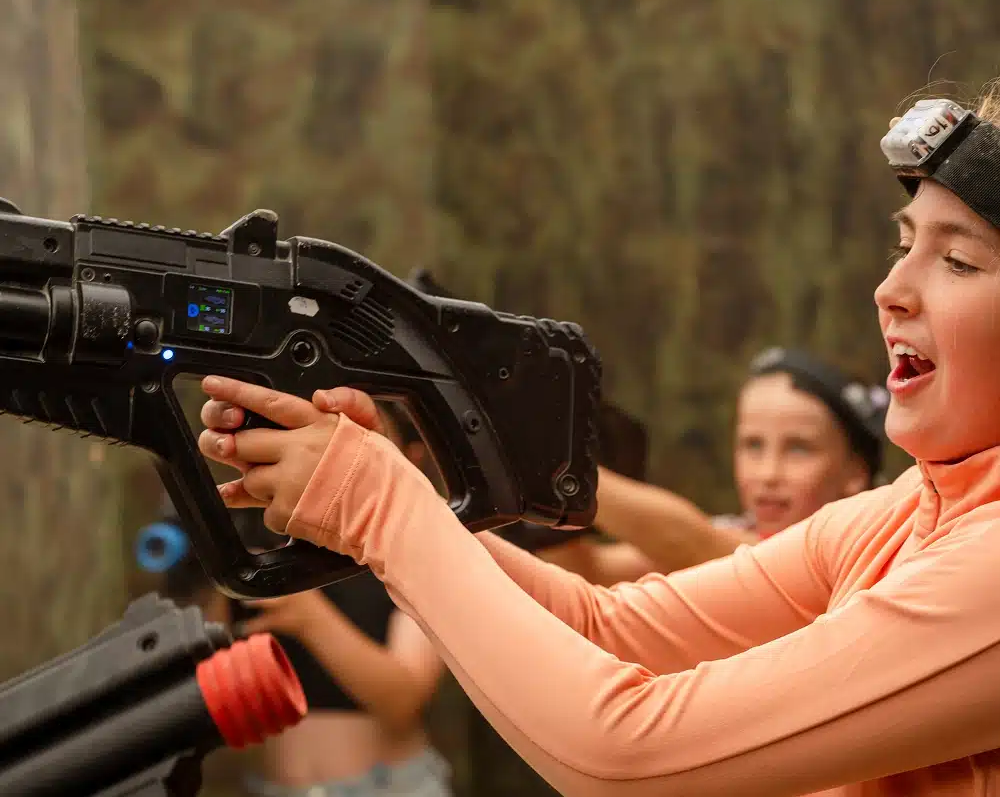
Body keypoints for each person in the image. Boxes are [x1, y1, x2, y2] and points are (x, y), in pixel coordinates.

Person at [197, 89, 1000, 795]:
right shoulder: (908, 512)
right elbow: (604, 626)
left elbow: (627, 754)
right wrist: (372, 511)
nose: (890, 291)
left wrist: (379, 504)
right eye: (904, 246)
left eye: (958, 260)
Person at [141, 403, 452, 797]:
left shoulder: (414, 553)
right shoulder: (272, 542)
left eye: (369, 440)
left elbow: (402, 701)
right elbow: (208, 684)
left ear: (412, 456)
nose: (346, 459)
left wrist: (310, 619)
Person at [558, 348, 887, 585]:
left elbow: (693, 544)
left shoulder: (862, 557)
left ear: (856, 472)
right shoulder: (733, 529)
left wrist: (562, 469)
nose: (768, 473)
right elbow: (591, 572)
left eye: (799, 449)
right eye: (752, 444)